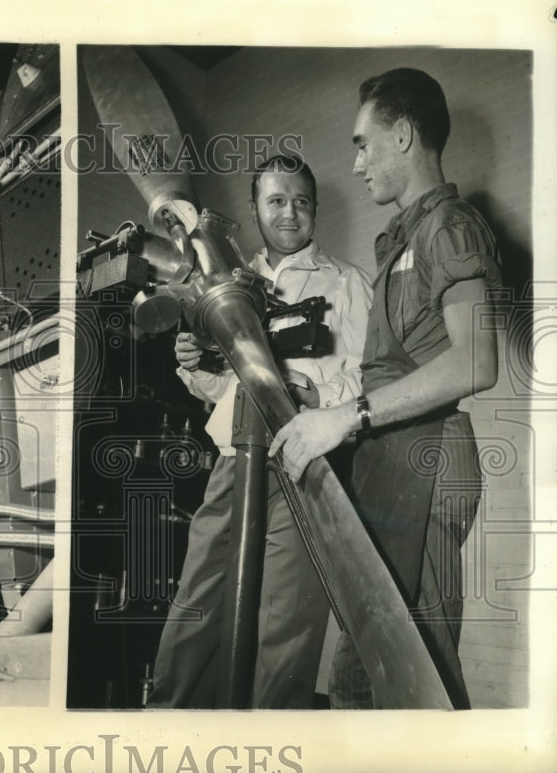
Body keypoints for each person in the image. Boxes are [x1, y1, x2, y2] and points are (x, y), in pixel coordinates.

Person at [269, 68, 502, 709]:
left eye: (363, 143)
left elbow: (478, 361)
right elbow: (390, 365)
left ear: (401, 136)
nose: (357, 161)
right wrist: (328, 409)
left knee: (415, 678)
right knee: (362, 670)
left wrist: (351, 416)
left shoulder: (449, 226)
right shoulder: (403, 237)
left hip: (426, 460)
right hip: (389, 458)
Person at [148, 155, 373, 709]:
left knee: (286, 624)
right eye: (276, 200)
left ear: (315, 208)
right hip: (233, 461)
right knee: (196, 606)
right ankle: (169, 733)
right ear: (254, 209)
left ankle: (273, 746)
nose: (290, 213)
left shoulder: (347, 283)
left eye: (301, 201)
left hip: (304, 461)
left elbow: (371, 372)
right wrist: (197, 364)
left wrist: (322, 399)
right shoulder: (226, 282)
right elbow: (216, 393)